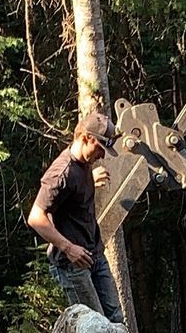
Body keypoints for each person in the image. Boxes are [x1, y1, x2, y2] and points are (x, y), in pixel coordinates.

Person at [28, 117, 123, 321]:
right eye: (100, 148)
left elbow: (74, 194)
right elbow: (35, 217)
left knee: (115, 320)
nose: (102, 155)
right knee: (98, 327)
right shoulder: (60, 174)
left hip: (94, 254)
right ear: (86, 138)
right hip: (72, 264)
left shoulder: (84, 165)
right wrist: (68, 248)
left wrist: (90, 178)